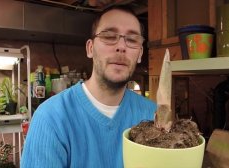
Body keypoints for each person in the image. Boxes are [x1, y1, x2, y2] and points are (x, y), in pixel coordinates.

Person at [21, 5, 157, 168]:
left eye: (132, 40)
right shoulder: (51, 118)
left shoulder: (152, 116)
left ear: (140, 53)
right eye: (109, 36)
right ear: (90, 48)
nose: (121, 47)